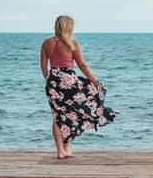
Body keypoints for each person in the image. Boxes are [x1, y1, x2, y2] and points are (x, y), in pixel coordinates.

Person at [40, 15, 118, 159]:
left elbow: (43, 67)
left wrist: (49, 80)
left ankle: (61, 150)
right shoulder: (72, 43)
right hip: (69, 82)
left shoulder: (46, 43)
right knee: (75, 113)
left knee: (57, 116)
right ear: (69, 27)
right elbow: (82, 65)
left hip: (53, 82)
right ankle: (66, 147)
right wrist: (95, 81)